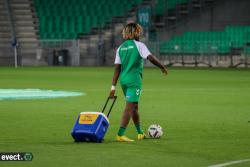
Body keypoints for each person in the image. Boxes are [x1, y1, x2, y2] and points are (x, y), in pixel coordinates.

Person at [109, 23, 168, 142]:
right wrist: (162, 67)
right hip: (134, 81)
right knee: (130, 107)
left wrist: (113, 87)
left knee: (134, 107)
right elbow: (150, 57)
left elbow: (117, 69)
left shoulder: (120, 48)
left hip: (123, 81)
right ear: (135, 32)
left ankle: (140, 133)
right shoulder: (139, 45)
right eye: (138, 31)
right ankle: (120, 134)